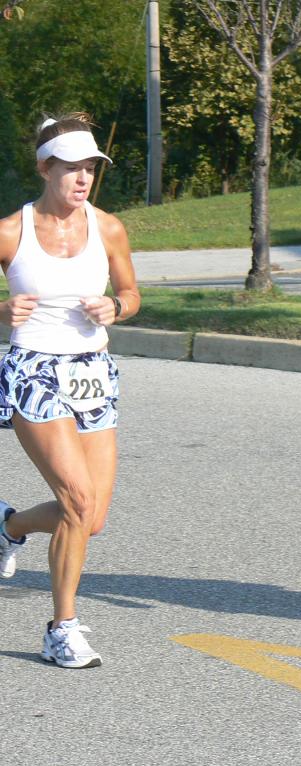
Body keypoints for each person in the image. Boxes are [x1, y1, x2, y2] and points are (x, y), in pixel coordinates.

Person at [0, 113, 139, 668]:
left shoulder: (108, 228)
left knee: (91, 517)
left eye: (90, 169)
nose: (83, 179)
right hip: (34, 371)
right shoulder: (11, 232)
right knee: (77, 502)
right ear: (44, 168)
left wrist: (116, 307)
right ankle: (62, 628)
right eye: (71, 168)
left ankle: (8, 526)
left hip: (93, 372)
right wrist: (2, 310)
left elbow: (131, 293)